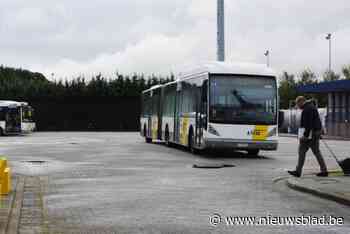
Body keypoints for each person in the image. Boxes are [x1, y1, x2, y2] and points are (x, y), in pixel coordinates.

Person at [288, 96, 328, 177]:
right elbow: (315, 121)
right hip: (316, 132)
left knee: (302, 151)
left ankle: (298, 171)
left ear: (301, 101)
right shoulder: (312, 107)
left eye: (297, 103)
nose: (297, 105)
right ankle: (324, 170)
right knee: (316, 152)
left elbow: (308, 124)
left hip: (310, 133)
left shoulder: (307, 109)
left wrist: (305, 136)